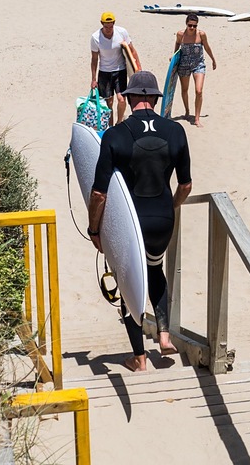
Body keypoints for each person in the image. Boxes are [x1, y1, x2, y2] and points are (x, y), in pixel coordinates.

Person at [88, 70, 192, 372]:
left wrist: (94, 228)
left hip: (129, 224)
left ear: (130, 98)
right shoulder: (175, 132)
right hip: (163, 220)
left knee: (128, 280)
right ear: (155, 100)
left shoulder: (115, 135)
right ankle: (163, 334)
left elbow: (99, 193)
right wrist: (169, 209)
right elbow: (185, 186)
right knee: (155, 268)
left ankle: (139, 357)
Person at [90, 12, 141, 125]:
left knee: (121, 99)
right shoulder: (95, 37)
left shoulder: (122, 32)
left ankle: (119, 123)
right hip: (104, 72)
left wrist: (138, 68)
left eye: (111, 26)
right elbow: (94, 59)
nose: (108, 29)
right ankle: (111, 127)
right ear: (101, 24)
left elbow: (131, 51)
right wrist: (93, 79)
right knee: (109, 103)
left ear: (114, 23)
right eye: (106, 26)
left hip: (120, 70)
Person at [174, 14, 216, 127]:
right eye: (190, 25)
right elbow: (177, 44)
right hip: (184, 64)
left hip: (198, 64)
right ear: (186, 24)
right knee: (184, 89)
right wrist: (174, 58)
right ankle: (187, 111)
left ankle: (197, 118)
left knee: (199, 91)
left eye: (194, 26)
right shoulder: (180, 34)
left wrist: (213, 59)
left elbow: (207, 47)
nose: (192, 28)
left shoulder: (201, 34)